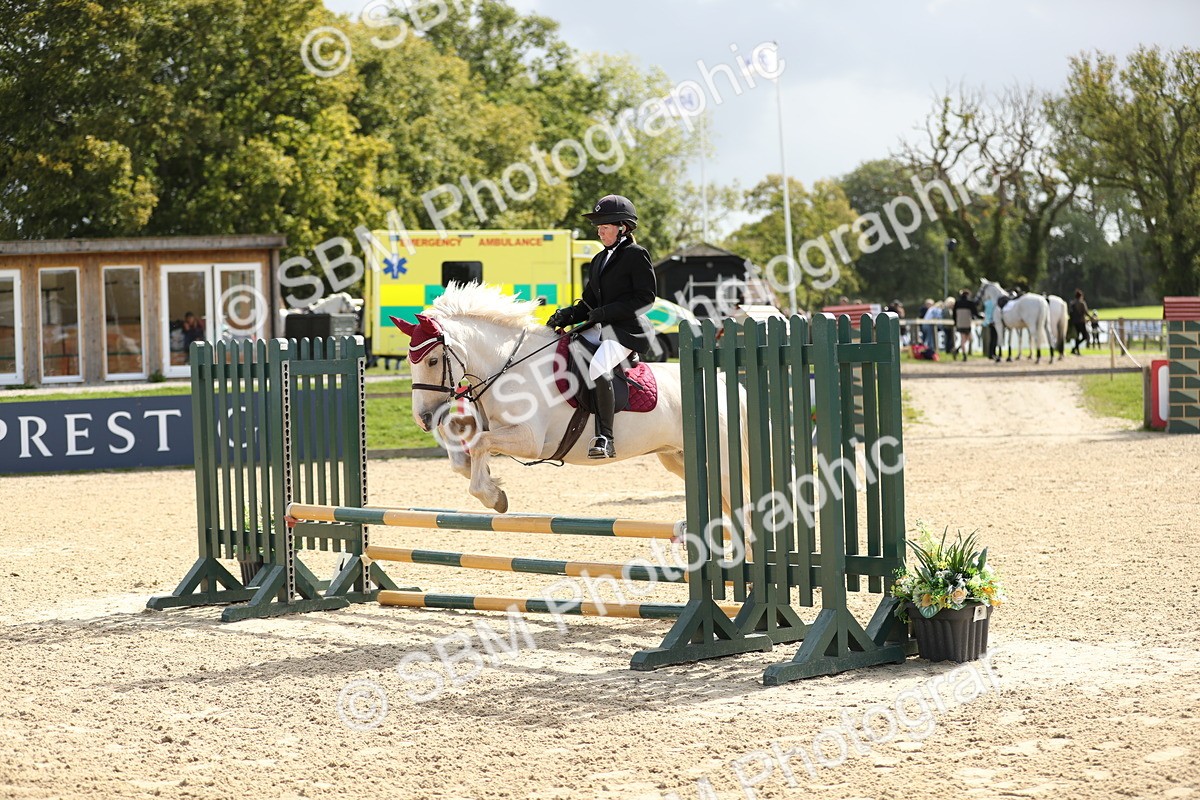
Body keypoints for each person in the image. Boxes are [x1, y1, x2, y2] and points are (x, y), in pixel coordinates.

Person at [546, 195, 656, 459]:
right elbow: (588, 302)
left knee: (598, 366)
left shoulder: (636, 255)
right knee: (563, 351)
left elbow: (645, 298)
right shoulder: (598, 259)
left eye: (605, 226)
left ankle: (606, 437)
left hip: (626, 331)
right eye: (598, 226)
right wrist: (565, 315)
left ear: (623, 227)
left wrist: (606, 312)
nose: (599, 231)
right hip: (600, 327)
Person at [953, 289, 977, 361]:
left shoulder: (957, 303)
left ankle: (958, 350)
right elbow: (975, 313)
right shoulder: (970, 303)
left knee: (964, 339)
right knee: (969, 339)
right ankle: (963, 354)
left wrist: (955, 322)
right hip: (967, 322)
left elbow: (954, 314)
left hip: (960, 322)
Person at [1069, 289, 1089, 355]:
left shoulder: (1072, 303)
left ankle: (1076, 350)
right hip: (1081, 321)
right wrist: (1091, 318)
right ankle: (1074, 348)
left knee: (1077, 337)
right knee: (1085, 337)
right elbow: (1086, 312)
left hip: (1074, 322)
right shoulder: (1082, 303)